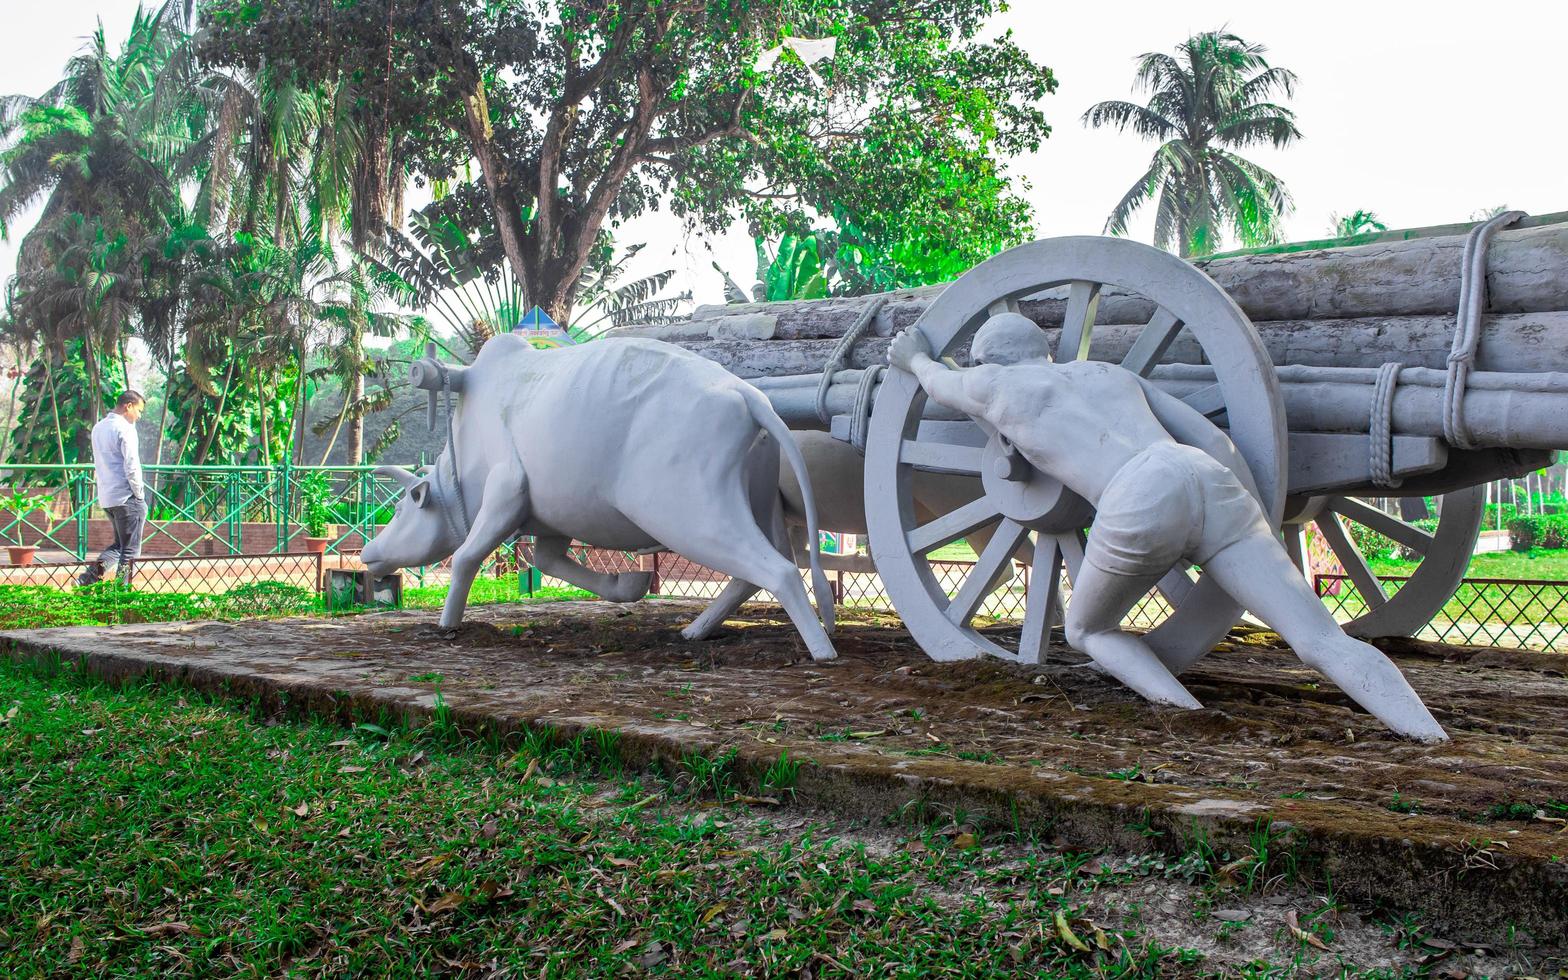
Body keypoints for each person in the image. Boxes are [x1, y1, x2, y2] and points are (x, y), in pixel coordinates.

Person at [887, 314, 1448, 742]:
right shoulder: (1110, 374)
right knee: (1321, 638)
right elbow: (1209, 440)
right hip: (1207, 477)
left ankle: (1187, 716)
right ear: (1047, 352)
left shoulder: (994, 386)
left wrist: (913, 358)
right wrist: (1254, 519)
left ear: (988, 361)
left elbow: (939, 384)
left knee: (1088, 631)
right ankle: (1428, 735)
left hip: (1134, 493)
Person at [78, 390, 148, 587]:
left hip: (108, 497)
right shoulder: (125, 429)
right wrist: (139, 495)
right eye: (139, 410)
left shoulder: (98, 427)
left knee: (119, 547)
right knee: (130, 551)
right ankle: (122, 593)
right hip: (127, 497)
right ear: (128, 406)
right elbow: (132, 465)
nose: (139, 416)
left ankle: (87, 579)